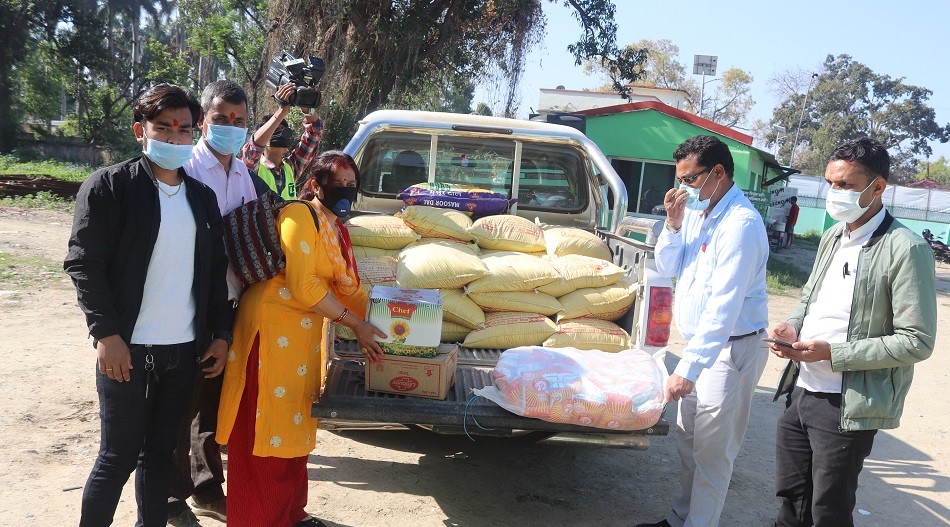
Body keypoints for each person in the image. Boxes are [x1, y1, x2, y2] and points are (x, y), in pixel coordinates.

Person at [64, 83, 232, 526]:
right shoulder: (111, 187)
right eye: (163, 128)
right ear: (141, 130)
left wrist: (220, 334)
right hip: (129, 352)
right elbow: (85, 264)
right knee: (116, 458)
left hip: (183, 352)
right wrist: (107, 334)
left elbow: (214, 272)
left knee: (159, 455)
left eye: (184, 130)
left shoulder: (201, 198)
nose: (175, 139)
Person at [768, 137, 936, 527]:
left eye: (844, 184)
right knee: (791, 502)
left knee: (828, 511)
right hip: (802, 392)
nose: (834, 193)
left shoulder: (905, 249)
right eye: (830, 182)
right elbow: (809, 298)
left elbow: (917, 340)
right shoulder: (833, 236)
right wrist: (792, 325)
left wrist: (833, 353)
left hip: (847, 405)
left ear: (877, 187)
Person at [215, 151, 386, 526]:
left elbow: (348, 288)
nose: (345, 189)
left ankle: (291, 514)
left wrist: (393, 319)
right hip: (270, 333)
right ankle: (256, 519)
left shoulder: (336, 228)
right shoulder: (299, 214)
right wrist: (355, 325)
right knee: (265, 434)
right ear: (314, 184)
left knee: (294, 428)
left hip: (303, 338)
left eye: (350, 182)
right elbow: (303, 284)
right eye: (336, 182)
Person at [637, 135, 769, 527]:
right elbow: (666, 266)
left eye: (690, 180)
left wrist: (689, 368)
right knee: (690, 444)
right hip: (702, 345)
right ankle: (680, 519)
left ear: (718, 172)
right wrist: (673, 225)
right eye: (679, 180)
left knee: (713, 453)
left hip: (731, 350)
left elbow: (724, 309)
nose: (683, 189)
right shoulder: (697, 212)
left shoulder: (740, 225)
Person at [169, 79, 258, 526]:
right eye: (221, 119)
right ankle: (170, 497)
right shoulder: (185, 167)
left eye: (239, 121)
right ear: (203, 120)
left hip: (230, 302)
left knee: (212, 400)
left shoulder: (245, 175)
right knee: (178, 398)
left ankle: (206, 488)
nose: (230, 127)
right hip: (186, 302)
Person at [240, 82, 325, 200]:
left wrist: (304, 105)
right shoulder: (252, 167)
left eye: (282, 130)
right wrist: (282, 111)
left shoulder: (291, 168)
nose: (279, 134)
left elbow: (315, 132)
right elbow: (254, 148)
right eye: (274, 130)